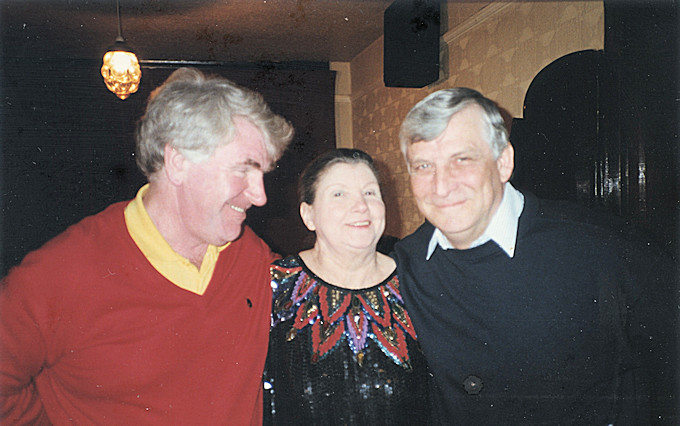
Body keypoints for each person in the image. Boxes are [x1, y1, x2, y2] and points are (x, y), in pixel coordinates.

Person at [0, 67, 294, 424]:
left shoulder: (252, 256)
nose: (260, 196)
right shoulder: (59, 274)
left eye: (263, 173)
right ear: (178, 162)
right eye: (243, 170)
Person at [393, 88, 677, 424]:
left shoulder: (602, 247)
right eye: (423, 165)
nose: (441, 186)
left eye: (462, 159)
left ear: (503, 162)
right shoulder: (405, 264)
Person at [264, 148, 432, 425]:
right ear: (309, 215)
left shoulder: (417, 284)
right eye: (339, 194)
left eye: (370, 192)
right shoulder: (275, 286)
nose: (361, 206)